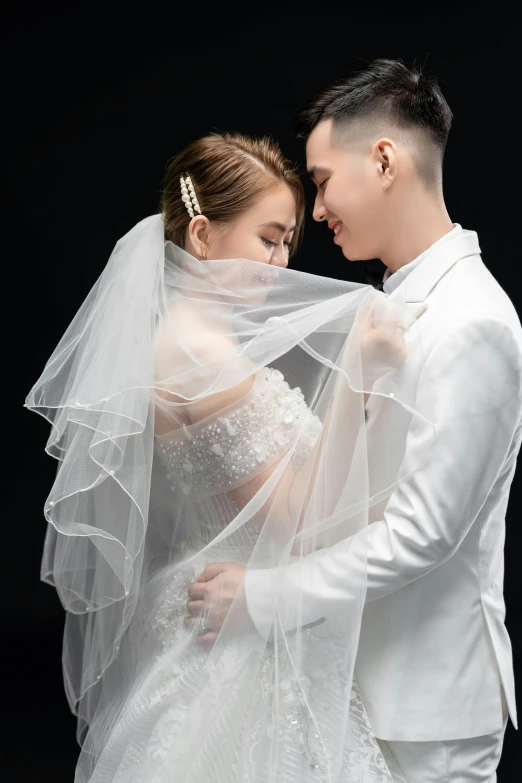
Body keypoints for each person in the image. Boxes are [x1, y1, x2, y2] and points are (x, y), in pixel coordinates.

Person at [25, 131, 425, 782]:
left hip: (244, 618)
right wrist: (355, 376)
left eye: (289, 240)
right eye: (267, 237)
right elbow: (298, 523)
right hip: (241, 642)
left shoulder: (191, 343)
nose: (280, 260)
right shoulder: (198, 358)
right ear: (203, 235)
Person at [188, 60, 522, 782]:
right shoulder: (386, 308)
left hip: (423, 714)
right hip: (346, 700)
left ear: (383, 159)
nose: (316, 208)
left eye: (321, 179)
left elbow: (421, 534)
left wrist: (263, 596)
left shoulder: (474, 322)